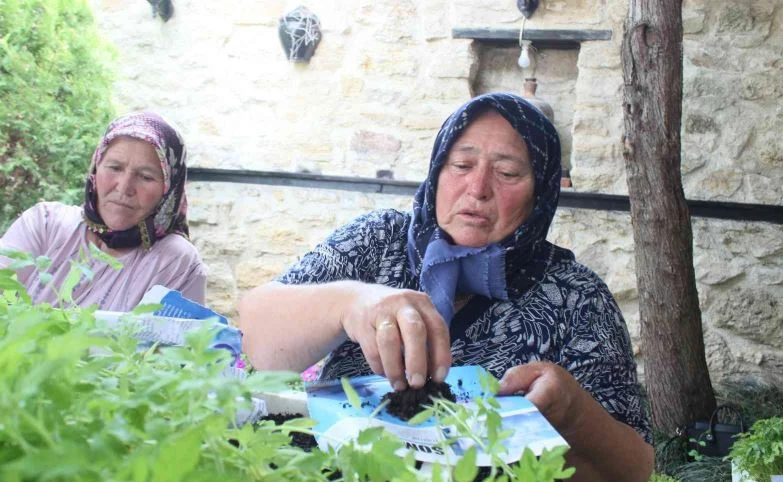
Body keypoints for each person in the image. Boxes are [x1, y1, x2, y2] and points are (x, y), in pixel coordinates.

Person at [239, 93, 654, 481]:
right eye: (461, 165)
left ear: (540, 194)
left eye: (507, 172)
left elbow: (637, 469)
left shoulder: (576, 298)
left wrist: (574, 412)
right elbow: (258, 336)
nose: (478, 189)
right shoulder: (378, 242)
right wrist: (351, 303)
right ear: (437, 171)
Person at [0, 111, 207, 311]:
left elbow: (175, 343)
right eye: (115, 168)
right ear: (95, 168)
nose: (124, 187)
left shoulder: (176, 261)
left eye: (146, 177)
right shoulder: (45, 224)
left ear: (168, 189)